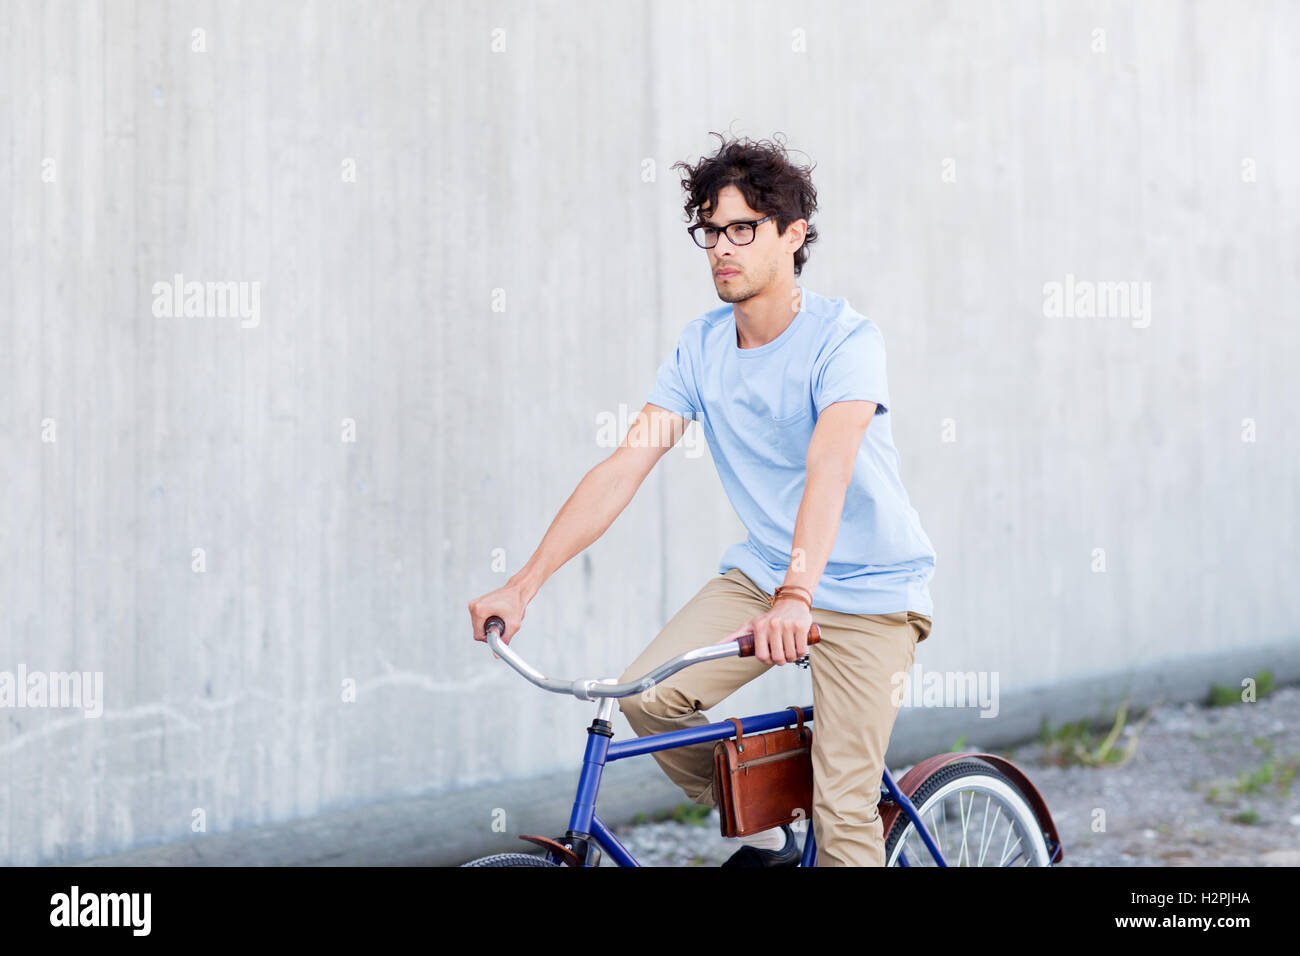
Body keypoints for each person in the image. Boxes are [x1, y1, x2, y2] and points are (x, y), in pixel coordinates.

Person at [468, 132, 935, 867]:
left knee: (845, 815)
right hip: (765, 575)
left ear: (793, 235)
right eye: (711, 231)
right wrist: (524, 584)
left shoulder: (845, 341)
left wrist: (797, 594)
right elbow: (625, 466)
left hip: (872, 591)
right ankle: (768, 828)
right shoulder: (702, 347)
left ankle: (825, 809)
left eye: (743, 229)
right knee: (647, 699)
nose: (722, 247)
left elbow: (830, 469)